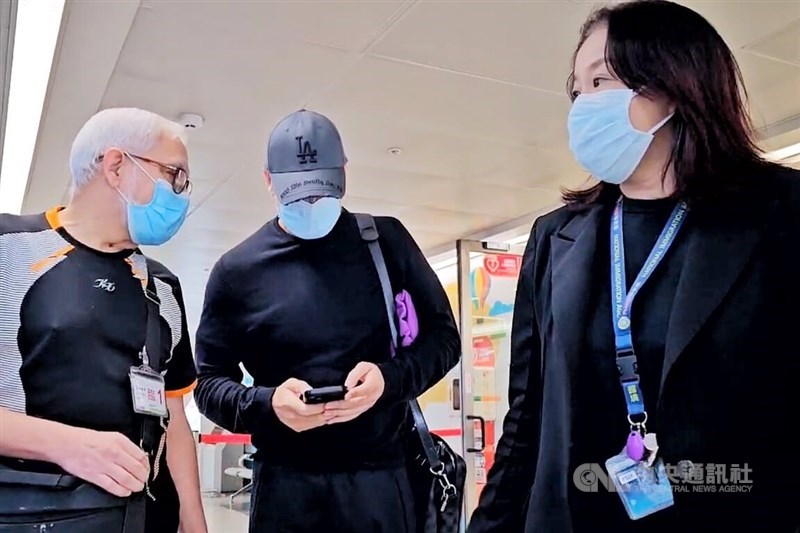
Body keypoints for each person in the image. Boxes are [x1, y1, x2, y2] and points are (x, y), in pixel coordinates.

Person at [468, 1, 800, 532]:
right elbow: (527, 419)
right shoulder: (557, 238)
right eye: (577, 89)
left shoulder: (781, 212)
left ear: (674, 82)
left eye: (601, 80)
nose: (583, 104)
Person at [194, 109, 461, 533]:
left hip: (381, 481)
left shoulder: (387, 242)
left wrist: (388, 380)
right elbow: (208, 384)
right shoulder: (237, 272)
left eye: (321, 191)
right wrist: (267, 405)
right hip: (286, 488)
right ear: (268, 180)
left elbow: (445, 339)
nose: (312, 205)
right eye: (297, 195)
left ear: (344, 175)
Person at [0, 108, 208, 533]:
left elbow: (175, 417)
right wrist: (64, 445)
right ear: (116, 165)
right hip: (31, 513)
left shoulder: (162, 286)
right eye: (175, 175)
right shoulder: (10, 250)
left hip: (144, 518)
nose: (181, 194)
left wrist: (194, 522)